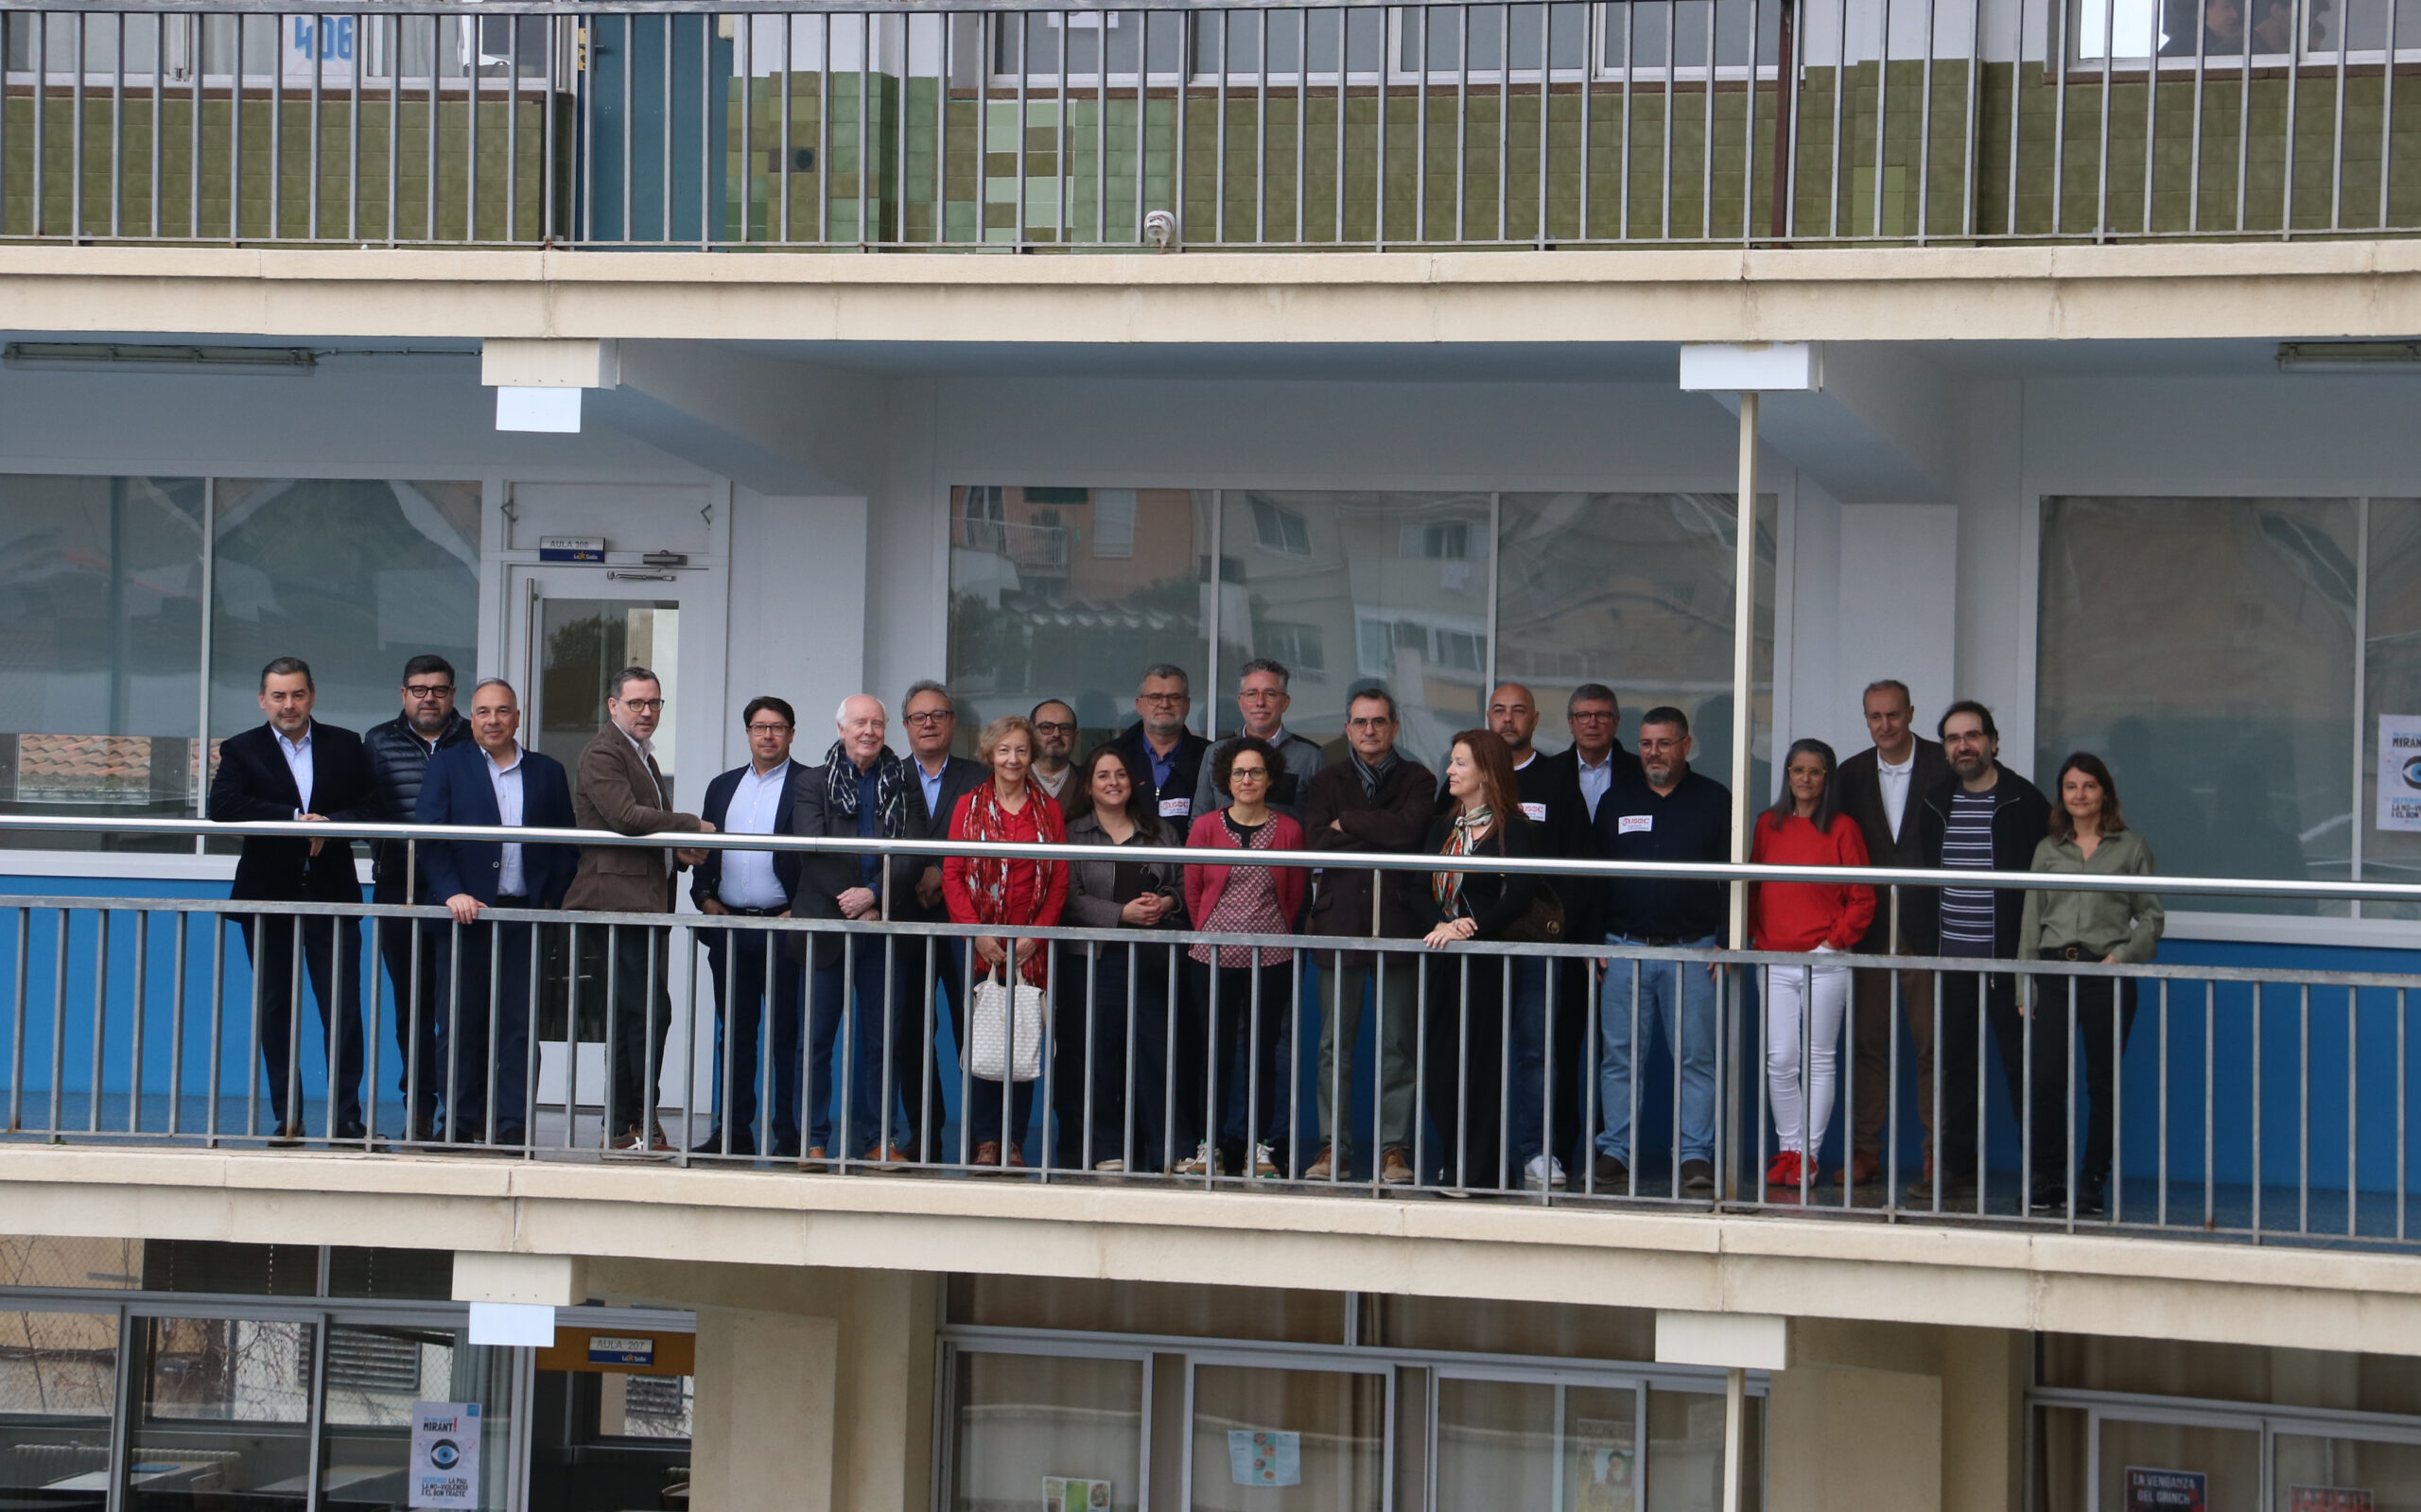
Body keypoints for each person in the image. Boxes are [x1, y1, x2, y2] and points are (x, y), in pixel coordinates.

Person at [209, 656, 379, 1144]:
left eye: (298, 694)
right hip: (268, 897)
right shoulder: (241, 748)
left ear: (312, 697)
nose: (289, 705)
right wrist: (293, 819)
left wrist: (333, 824)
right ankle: (288, 1119)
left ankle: (346, 1119)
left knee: (342, 1011)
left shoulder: (345, 744)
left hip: (332, 895)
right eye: (279, 696)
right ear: (263, 700)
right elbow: (223, 806)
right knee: (276, 1010)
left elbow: (374, 806)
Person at [413, 679, 579, 1148]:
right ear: (472, 719)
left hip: (525, 917)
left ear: (517, 718)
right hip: (465, 916)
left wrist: (548, 901)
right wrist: (451, 893)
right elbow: (430, 836)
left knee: (520, 1027)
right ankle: (457, 1123)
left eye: (502, 711)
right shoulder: (448, 765)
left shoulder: (547, 771)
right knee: (459, 1024)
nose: (493, 720)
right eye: (483, 712)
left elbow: (566, 843)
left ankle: (513, 1125)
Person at [562, 666, 712, 1156]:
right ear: (613, 706)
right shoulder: (604, 751)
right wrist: (690, 826)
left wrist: (675, 851)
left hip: (643, 904)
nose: (647, 712)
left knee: (638, 1015)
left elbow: (638, 830)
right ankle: (632, 1121)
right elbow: (625, 818)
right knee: (646, 1013)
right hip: (616, 905)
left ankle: (630, 1123)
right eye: (636, 703)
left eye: (654, 703)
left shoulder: (640, 754)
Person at [1907, 701, 2052, 1207]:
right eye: (1953, 738)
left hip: (2011, 965)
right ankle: (1957, 1170)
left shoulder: (2024, 801)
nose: (1963, 746)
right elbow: (1925, 884)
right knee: (1955, 1069)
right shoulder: (1935, 802)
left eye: (1972, 736)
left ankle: (2042, 1175)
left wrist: (2032, 959)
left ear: (1993, 741)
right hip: (1953, 963)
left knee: (2025, 1070)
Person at [1592, 706, 1731, 1195]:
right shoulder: (1616, 800)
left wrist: (1727, 937)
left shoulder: (1715, 800)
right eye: (1646, 744)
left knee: (1696, 1059)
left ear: (1686, 746)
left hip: (1694, 950)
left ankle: (1695, 1154)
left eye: (1664, 743)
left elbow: (1734, 876)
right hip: (1622, 948)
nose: (1654, 753)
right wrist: (1593, 938)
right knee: (1619, 1058)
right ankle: (1616, 1150)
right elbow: (1594, 876)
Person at [2018, 752, 2164, 1216]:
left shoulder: (2131, 847)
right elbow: (2031, 921)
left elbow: (2152, 917)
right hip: (2052, 973)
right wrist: (2025, 984)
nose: (2079, 795)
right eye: (2070, 786)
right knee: (2045, 1080)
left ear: (2105, 793)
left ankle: (2092, 1179)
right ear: (2061, 795)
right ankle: (2049, 1178)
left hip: (2107, 976)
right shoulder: (2047, 850)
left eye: (2089, 785)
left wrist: (2122, 956)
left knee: (2103, 1083)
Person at [1301, 686, 1436, 1187]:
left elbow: (1411, 833)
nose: (1370, 730)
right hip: (1339, 922)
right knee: (1333, 1044)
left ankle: (1393, 1150)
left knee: (1398, 1042)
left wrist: (1351, 823)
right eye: (1360, 722)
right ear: (1347, 728)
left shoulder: (1419, 778)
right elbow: (1317, 841)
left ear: (1395, 727)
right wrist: (1380, 829)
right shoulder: (1326, 780)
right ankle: (1333, 1147)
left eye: (1379, 721)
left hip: (1399, 922)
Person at [791, 695, 922, 1167]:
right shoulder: (812, 781)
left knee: (883, 1042)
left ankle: (879, 1139)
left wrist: (875, 895)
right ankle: (812, 1141)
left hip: (882, 925)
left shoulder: (904, 779)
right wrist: (853, 900)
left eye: (877, 723)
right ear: (841, 729)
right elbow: (812, 846)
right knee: (815, 1041)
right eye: (860, 723)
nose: (869, 731)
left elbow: (914, 849)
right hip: (827, 926)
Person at [1833, 679, 1955, 1190]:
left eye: (1893, 715)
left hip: (1929, 927)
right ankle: (1865, 1152)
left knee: (1934, 1046)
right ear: (1866, 719)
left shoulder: (1944, 765)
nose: (1885, 725)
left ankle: (1937, 1155)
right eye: (1875, 716)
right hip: (1870, 927)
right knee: (1866, 1043)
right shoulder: (1850, 773)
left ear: (1911, 713)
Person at [941, 714, 1070, 1171]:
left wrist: (1037, 934)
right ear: (989, 755)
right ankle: (985, 1141)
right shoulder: (968, 806)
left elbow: (1059, 880)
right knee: (982, 1041)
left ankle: (1014, 1141)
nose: (1012, 759)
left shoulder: (1048, 810)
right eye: (1003, 750)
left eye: (1020, 750)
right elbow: (953, 873)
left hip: (1031, 948)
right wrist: (977, 932)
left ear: (1031, 755)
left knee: (1022, 1043)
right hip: (979, 945)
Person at [1748, 739, 1874, 1195]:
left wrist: (1832, 943)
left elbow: (1863, 897)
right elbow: (1754, 885)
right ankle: (1789, 1150)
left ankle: (1810, 1156)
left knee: (1819, 1058)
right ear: (1787, 774)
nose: (1805, 778)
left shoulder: (1843, 829)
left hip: (1825, 960)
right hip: (1774, 958)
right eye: (1797, 770)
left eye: (1814, 771)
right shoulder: (1767, 824)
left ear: (1827, 778)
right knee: (1780, 1059)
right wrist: (1755, 936)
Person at [1420, 730, 1544, 1192]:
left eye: (1460, 763)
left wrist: (1470, 927)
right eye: (1451, 762)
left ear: (1487, 773)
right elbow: (1414, 886)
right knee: (1439, 1066)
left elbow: (1519, 896)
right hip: (1441, 955)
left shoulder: (1515, 829)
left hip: (1487, 961)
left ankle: (1478, 1172)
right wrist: (1441, 923)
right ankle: (1455, 1160)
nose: (1449, 771)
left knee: (1479, 1066)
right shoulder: (1442, 828)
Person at [1179, 737, 1308, 1179]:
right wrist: (1210, 931)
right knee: (1213, 1053)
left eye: (1255, 771)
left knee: (1263, 1053)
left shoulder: (1289, 830)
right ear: (1226, 780)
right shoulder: (1205, 828)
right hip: (1211, 955)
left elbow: (1294, 895)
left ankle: (1261, 1145)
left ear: (1269, 778)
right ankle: (1208, 1145)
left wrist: (1273, 934)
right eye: (1239, 772)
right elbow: (1193, 890)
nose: (1247, 779)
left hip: (1270, 956)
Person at [689, 697, 810, 1158]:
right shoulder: (722, 786)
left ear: (792, 733)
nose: (768, 735)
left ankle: (789, 1133)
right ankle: (733, 1131)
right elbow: (705, 851)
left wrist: (801, 909)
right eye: (760, 727)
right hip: (731, 928)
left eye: (778, 727)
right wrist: (705, 898)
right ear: (747, 733)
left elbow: (820, 857)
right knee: (735, 1034)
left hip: (785, 925)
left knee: (787, 1035)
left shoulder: (809, 784)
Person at [1061, 744, 1187, 1173]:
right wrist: (1120, 914)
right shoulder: (1073, 834)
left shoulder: (1161, 831)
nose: (1113, 782)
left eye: (1120, 774)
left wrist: (1166, 903)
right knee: (1097, 1057)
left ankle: (1165, 1150)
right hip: (1094, 959)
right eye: (1103, 775)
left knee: (1156, 1055)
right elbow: (1068, 897)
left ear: (1133, 782)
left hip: (1153, 958)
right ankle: (1104, 1148)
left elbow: (1185, 885)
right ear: (1089, 786)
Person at [1492, 681, 1599, 1184]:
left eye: (1518, 711)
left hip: (1540, 945)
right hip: (1479, 940)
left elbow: (1581, 865)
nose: (1508, 719)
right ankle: (1478, 1151)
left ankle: (1539, 1151)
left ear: (1535, 720)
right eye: (1499, 710)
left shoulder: (1557, 780)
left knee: (1540, 1051)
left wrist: (1561, 929)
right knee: (1479, 1049)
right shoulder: (1469, 775)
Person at [362, 653, 471, 1142]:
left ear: (453, 694)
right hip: (400, 889)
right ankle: (420, 1108)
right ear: (403, 694)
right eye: (420, 690)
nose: (430, 698)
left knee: (462, 1007)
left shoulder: (473, 739)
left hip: (464, 892)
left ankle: (462, 1111)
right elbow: (364, 807)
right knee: (413, 1006)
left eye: (439, 690)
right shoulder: (378, 742)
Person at [899, 679, 988, 1161]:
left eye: (938, 715)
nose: (929, 724)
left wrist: (940, 869)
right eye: (919, 717)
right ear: (906, 725)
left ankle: (981, 1136)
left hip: (966, 922)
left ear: (953, 723)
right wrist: (921, 872)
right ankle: (923, 1134)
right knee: (911, 1032)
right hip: (906, 919)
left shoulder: (979, 777)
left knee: (972, 1032)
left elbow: (992, 840)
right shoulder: (891, 775)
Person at [1194, 659, 1327, 820]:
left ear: (1285, 703)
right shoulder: (1215, 752)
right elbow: (1199, 819)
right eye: (1251, 694)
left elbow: (1320, 824)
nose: (1260, 702)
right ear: (1240, 702)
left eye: (1270, 694)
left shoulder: (1310, 757)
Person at [1113, 664, 1210, 830]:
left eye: (1174, 697)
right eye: (1155, 697)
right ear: (1139, 705)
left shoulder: (1210, 757)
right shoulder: (1113, 756)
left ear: (1187, 705)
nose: (1165, 704)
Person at [1540, 683, 1644, 822]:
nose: (1592, 724)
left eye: (1602, 715)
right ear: (1571, 723)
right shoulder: (1549, 771)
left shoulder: (1640, 771)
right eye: (1583, 715)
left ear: (1616, 722)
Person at [1030, 700, 1082, 806]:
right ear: (1031, 733)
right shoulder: (1013, 780)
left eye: (1065, 728)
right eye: (1047, 727)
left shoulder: (1089, 784)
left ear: (1075, 736)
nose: (1056, 734)